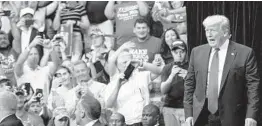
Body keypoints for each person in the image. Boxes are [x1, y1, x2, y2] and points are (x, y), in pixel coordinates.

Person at [184, 15, 260, 126]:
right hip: (201, 115)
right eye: (206, 30)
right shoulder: (197, 52)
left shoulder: (245, 53)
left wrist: (251, 115)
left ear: (225, 33)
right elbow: (189, 84)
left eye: (213, 30)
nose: (208, 34)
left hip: (232, 115)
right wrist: (189, 113)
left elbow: (253, 87)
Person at [161, 40, 188, 126]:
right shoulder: (167, 68)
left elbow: (199, 87)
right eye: (176, 52)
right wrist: (171, 76)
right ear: (172, 53)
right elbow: (163, 90)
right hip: (170, 107)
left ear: (186, 52)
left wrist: (188, 77)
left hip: (186, 107)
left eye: (182, 52)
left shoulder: (192, 66)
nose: (179, 55)